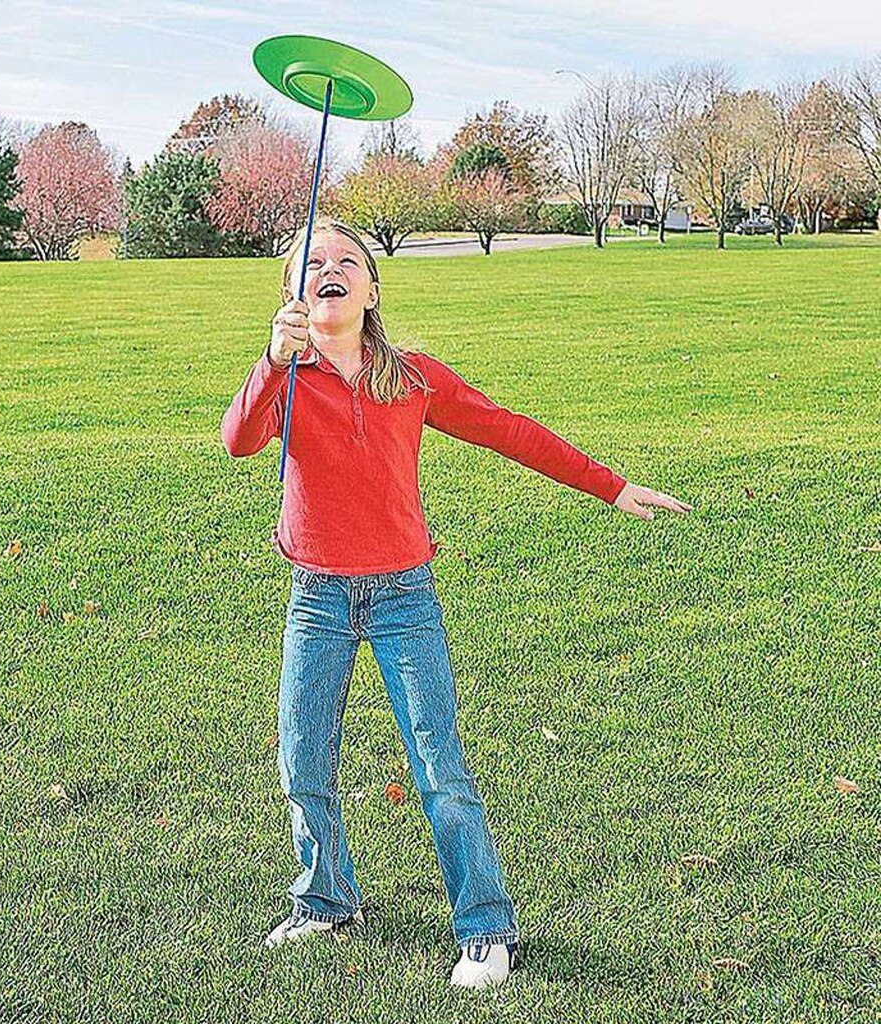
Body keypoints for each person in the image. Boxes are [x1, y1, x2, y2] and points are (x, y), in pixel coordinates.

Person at [220, 217, 693, 990]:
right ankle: (327, 899)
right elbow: (239, 439)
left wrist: (610, 484)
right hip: (317, 600)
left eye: (347, 262)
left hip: (405, 597)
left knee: (439, 766)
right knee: (302, 761)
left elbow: (509, 431)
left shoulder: (412, 378)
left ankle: (485, 928)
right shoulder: (287, 382)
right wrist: (271, 362)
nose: (330, 270)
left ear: (372, 291)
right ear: (293, 298)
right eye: (312, 265)